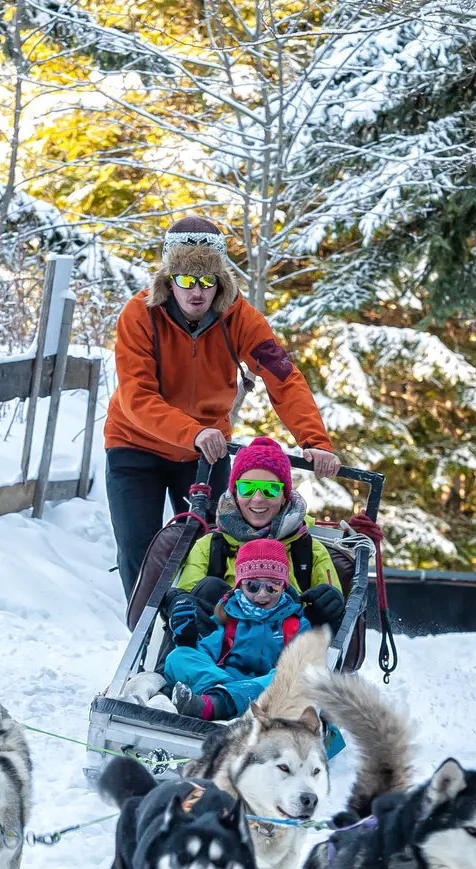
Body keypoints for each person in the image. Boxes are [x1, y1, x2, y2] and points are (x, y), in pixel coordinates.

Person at [104, 215, 341, 598]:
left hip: (207, 452)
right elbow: (137, 397)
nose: (196, 292)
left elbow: (282, 377)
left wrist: (314, 440)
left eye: (206, 281)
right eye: (185, 280)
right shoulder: (140, 314)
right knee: (139, 548)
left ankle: (208, 633)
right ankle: (147, 635)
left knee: (214, 546)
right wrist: (193, 432)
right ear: (169, 279)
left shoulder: (240, 318)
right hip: (136, 444)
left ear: (221, 281)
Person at [165, 437, 345, 650]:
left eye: (270, 489)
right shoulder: (210, 546)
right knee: (207, 590)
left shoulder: (310, 550)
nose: (258, 498)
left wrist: (331, 605)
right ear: (235, 494)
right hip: (214, 650)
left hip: (284, 653)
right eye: (247, 488)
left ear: (284, 496)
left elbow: (336, 616)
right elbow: (188, 598)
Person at [159, 539, 311, 722]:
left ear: (284, 586)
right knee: (179, 656)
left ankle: (215, 704)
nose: (262, 594)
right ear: (240, 585)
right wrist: (187, 640)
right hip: (222, 678)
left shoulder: (295, 624)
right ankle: (221, 699)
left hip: (264, 686)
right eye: (253, 586)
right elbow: (207, 651)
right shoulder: (230, 615)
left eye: (273, 586)